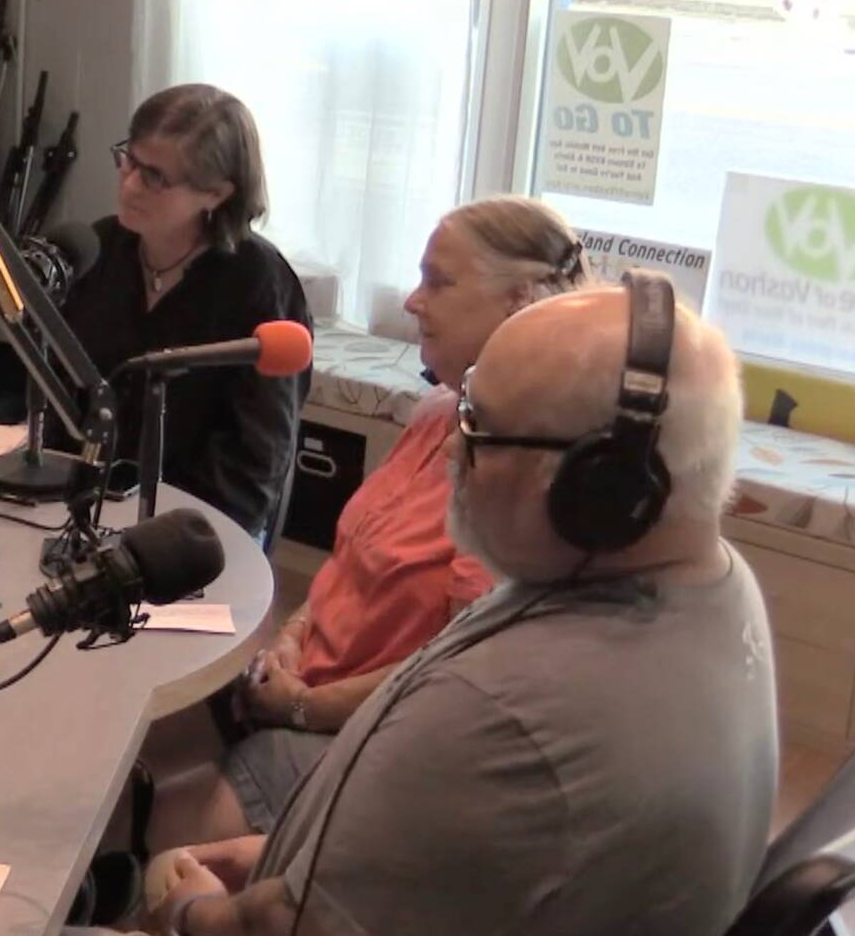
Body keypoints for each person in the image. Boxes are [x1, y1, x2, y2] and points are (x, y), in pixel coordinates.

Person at [142, 278, 777, 936]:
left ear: (598, 488)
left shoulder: (502, 710)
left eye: (478, 426)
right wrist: (302, 862)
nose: (451, 448)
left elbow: (275, 931)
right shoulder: (719, 587)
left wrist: (193, 910)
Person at [165, 197, 592, 845]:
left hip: (370, 738)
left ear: (520, 301)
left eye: (438, 282)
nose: (414, 302)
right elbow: (348, 563)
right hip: (292, 693)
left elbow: (453, 674)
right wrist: (291, 639)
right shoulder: (434, 414)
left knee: (159, 826)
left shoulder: (517, 472)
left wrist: (302, 707)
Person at [59, 85, 310, 542]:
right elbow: (60, 397)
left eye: (155, 177)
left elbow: (255, 461)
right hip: (82, 507)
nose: (130, 184)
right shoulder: (99, 249)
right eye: (129, 160)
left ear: (215, 194)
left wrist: (152, 534)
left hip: (195, 528)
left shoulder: (259, 284)